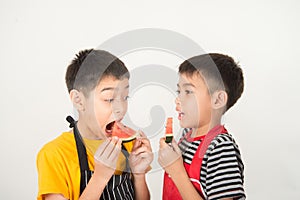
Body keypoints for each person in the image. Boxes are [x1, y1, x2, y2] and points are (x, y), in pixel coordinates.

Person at [36, 49, 153, 200]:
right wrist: (100, 177)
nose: (121, 108)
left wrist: (139, 174)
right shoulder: (54, 155)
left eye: (125, 97)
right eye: (109, 99)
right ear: (79, 100)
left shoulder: (129, 145)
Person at [158, 53, 246, 199]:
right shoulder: (186, 137)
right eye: (179, 91)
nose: (177, 100)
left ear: (218, 100)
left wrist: (176, 170)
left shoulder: (220, 148)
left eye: (188, 92)